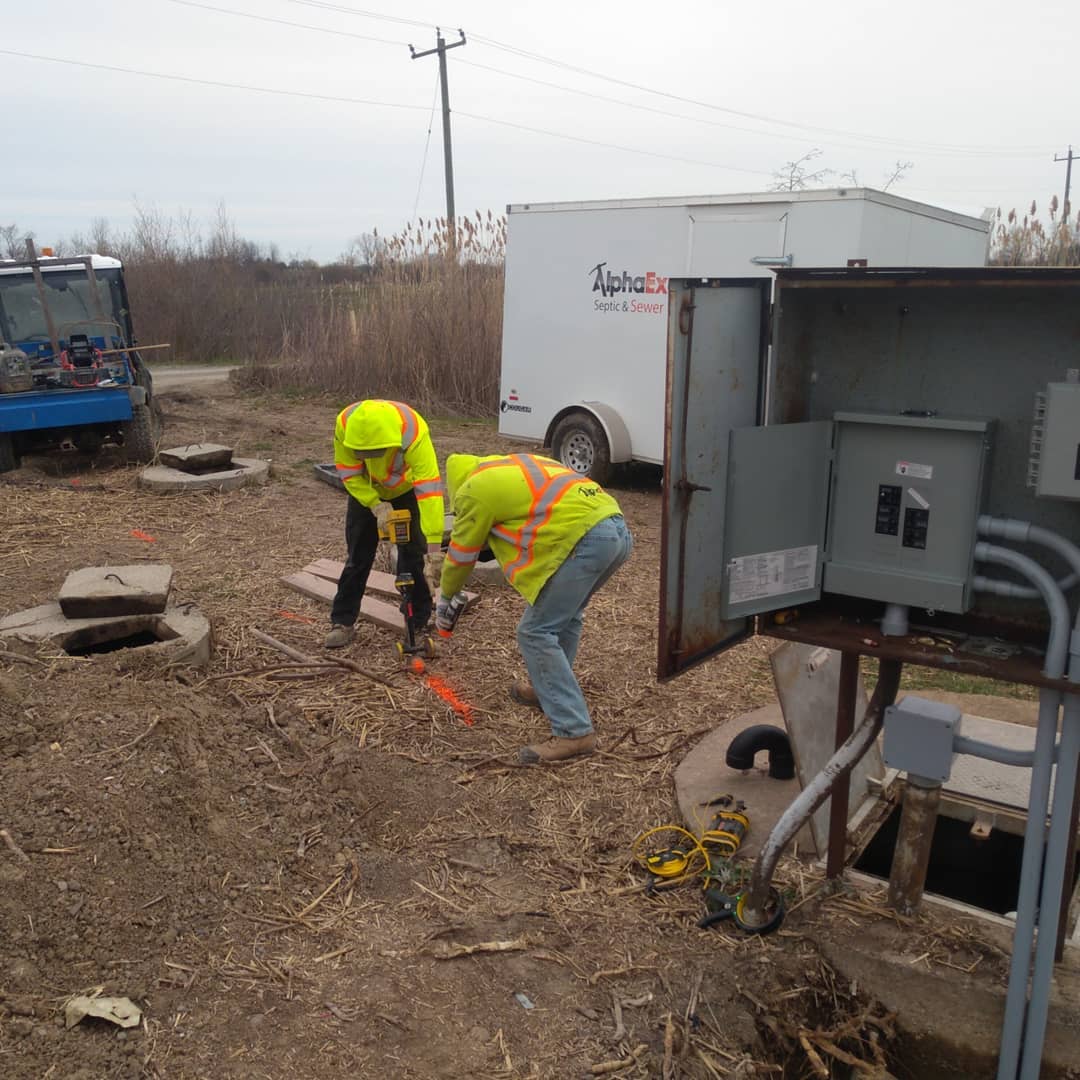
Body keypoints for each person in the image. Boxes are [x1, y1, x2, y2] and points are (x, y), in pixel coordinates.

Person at [436, 453, 633, 763]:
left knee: (535, 632)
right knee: (566, 619)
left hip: (589, 539)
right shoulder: (516, 466)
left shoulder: (474, 489)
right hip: (616, 529)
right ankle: (550, 693)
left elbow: (462, 557)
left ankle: (574, 731)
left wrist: (445, 597)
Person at [325, 399, 444, 648]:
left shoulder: (413, 431)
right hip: (366, 492)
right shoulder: (346, 425)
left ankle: (418, 619)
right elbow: (348, 472)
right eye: (363, 453)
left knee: (413, 555)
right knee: (358, 557)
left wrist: (434, 550)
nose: (368, 457)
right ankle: (343, 621)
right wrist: (375, 504)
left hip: (406, 490)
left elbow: (430, 492)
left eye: (374, 453)